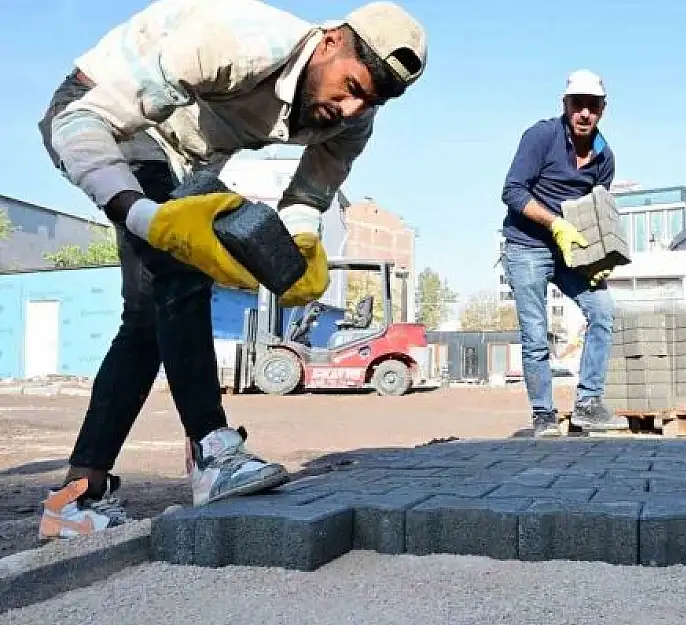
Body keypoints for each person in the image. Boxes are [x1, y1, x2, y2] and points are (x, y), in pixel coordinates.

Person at [35, 0, 427, 539]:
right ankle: (213, 454)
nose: (353, 109)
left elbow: (309, 194)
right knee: (181, 272)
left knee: (148, 317)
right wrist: (143, 215)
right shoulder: (240, 41)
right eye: (353, 87)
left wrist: (304, 244)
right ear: (333, 40)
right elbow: (81, 121)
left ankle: (75, 499)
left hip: (184, 161)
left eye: (372, 102)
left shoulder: (353, 122)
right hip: (104, 119)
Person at [499, 69, 624, 437]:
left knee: (602, 309)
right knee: (536, 333)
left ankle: (587, 404)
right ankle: (543, 414)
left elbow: (597, 213)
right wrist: (555, 224)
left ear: (603, 109)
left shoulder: (604, 157)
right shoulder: (541, 137)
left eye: (593, 106)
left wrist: (600, 260)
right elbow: (513, 192)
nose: (585, 113)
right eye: (577, 105)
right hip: (527, 246)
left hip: (571, 254)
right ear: (565, 105)